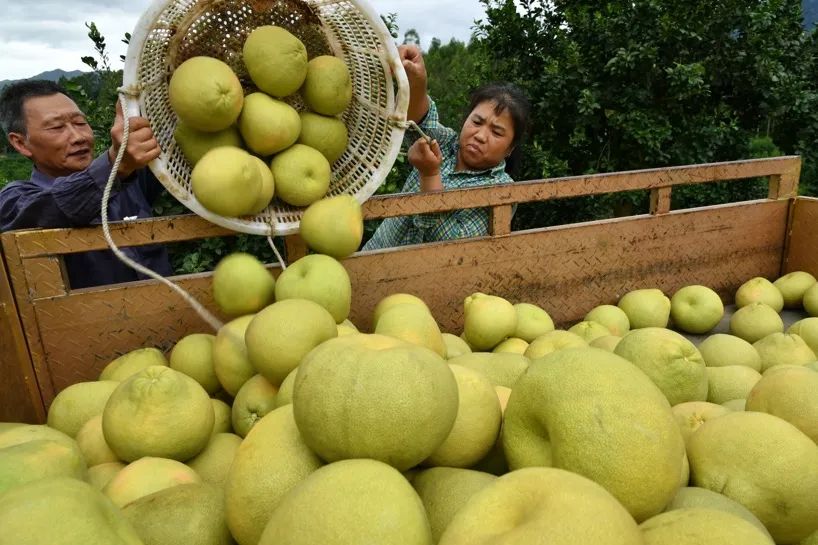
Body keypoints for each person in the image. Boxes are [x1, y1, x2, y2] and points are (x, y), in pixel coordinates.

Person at [0, 80, 172, 288]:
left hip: (170, 316)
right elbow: (57, 206)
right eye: (56, 127)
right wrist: (116, 164)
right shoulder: (15, 202)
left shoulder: (131, 178)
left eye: (80, 123)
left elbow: (175, 148)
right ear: (20, 143)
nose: (78, 136)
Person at [363, 44, 530, 250]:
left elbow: (451, 246)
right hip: (373, 256)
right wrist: (418, 80)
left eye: (496, 132)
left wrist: (430, 175)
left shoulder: (501, 190)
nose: (480, 136)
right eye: (477, 122)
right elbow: (421, 120)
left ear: (510, 149)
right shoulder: (447, 144)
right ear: (465, 120)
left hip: (419, 280)